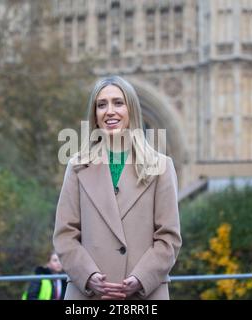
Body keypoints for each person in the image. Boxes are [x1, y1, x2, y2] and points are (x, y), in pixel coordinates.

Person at [53, 76, 182, 300]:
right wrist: (88, 275)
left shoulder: (161, 166)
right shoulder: (77, 166)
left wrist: (141, 278)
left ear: (131, 109)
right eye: (101, 105)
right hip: (88, 295)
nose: (109, 111)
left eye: (118, 103)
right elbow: (65, 235)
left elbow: (169, 238)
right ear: (95, 114)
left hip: (144, 295)